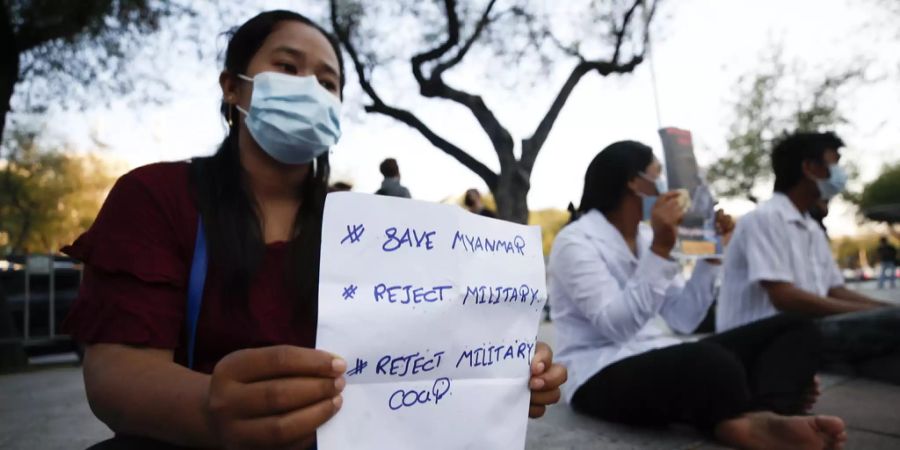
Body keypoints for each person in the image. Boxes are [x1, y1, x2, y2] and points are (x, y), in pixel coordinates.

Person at [62, 11, 565, 449]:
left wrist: (501, 372)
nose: (310, 88)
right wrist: (211, 409)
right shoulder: (156, 197)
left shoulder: (370, 228)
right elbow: (116, 375)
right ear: (232, 87)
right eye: (287, 67)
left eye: (328, 83)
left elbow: (423, 349)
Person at [550, 140, 846, 450]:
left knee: (796, 328)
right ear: (634, 182)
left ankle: (761, 416)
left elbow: (685, 318)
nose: (669, 188)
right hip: (598, 372)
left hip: (660, 354)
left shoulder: (647, 236)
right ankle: (746, 418)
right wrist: (662, 251)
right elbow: (616, 327)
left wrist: (710, 259)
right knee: (709, 361)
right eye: (658, 175)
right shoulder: (576, 242)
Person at [718, 132, 900, 385]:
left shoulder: (811, 228)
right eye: (833, 163)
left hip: (801, 332)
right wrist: (871, 314)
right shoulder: (765, 219)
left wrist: (882, 309)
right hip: (759, 340)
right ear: (809, 168)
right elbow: (784, 297)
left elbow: (834, 290)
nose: (839, 173)